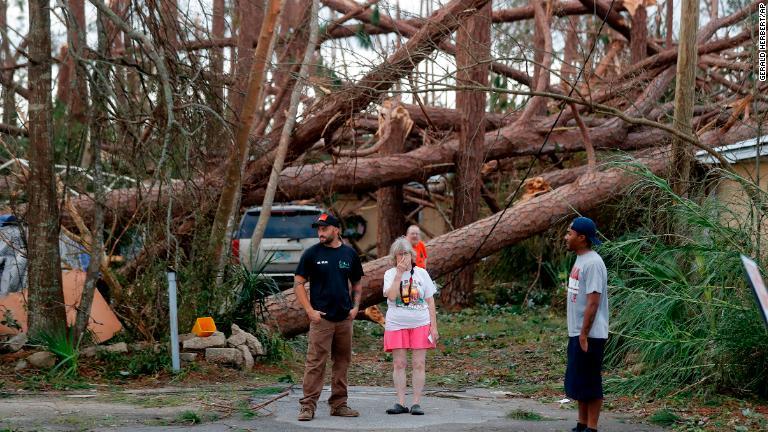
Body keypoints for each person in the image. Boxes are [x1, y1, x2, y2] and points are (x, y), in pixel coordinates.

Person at [294, 213, 364, 421]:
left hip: (344, 319)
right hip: (321, 319)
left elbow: (358, 284)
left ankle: (339, 404)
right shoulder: (311, 254)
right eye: (318, 229)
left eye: (324, 228)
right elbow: (298, 284)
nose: (320, 232)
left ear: (336, 230)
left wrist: (355, 308)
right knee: (315, 363)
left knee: (342, 362)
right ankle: (307, 406)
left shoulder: (349, 255)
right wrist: (310, 311)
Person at [382, 237, 439, 416]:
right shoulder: (389, 274)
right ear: (394, 257)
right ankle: (400, 402)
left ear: (412, 255)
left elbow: (430, 301)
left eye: (406, 253)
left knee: (419, 363)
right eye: (400, 254)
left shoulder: (422, 273)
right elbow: (391, 297)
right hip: (396, 324)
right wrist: (399, 274)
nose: (403, 257)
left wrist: (434, 327)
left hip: (420, 323)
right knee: (399, 364)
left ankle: (416, 403)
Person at [563, 217, 609, 432]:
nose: (566, 237)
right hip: (578, 331)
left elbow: (593, 302)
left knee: (590, 381)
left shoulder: (593, 263)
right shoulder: (581, 259)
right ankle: (581, 424)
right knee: (579, 379)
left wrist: (584, 333)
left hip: (590, 334)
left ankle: (592, 427)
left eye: (569, 234)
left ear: (582, 238)